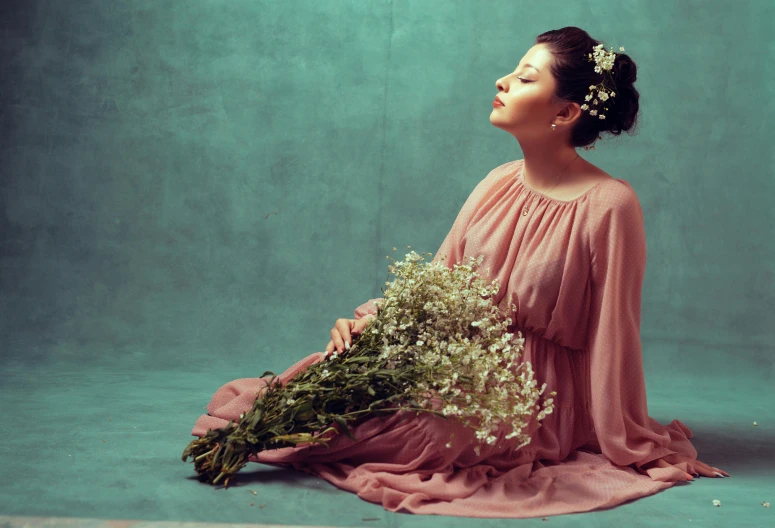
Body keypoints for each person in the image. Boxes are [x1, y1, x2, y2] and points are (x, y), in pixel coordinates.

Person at [191, 27, 729, 518]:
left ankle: (266, 443)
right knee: (307, 393)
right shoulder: (497, 181)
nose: (502, 80)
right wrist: (375, 325)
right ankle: (257, 437)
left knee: (414, 438)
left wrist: (624, 437)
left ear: (565, 113)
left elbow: (616, 330)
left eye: (524, 76)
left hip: (531, 396)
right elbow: (440, 279)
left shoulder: (610, 204)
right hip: (455, 359)